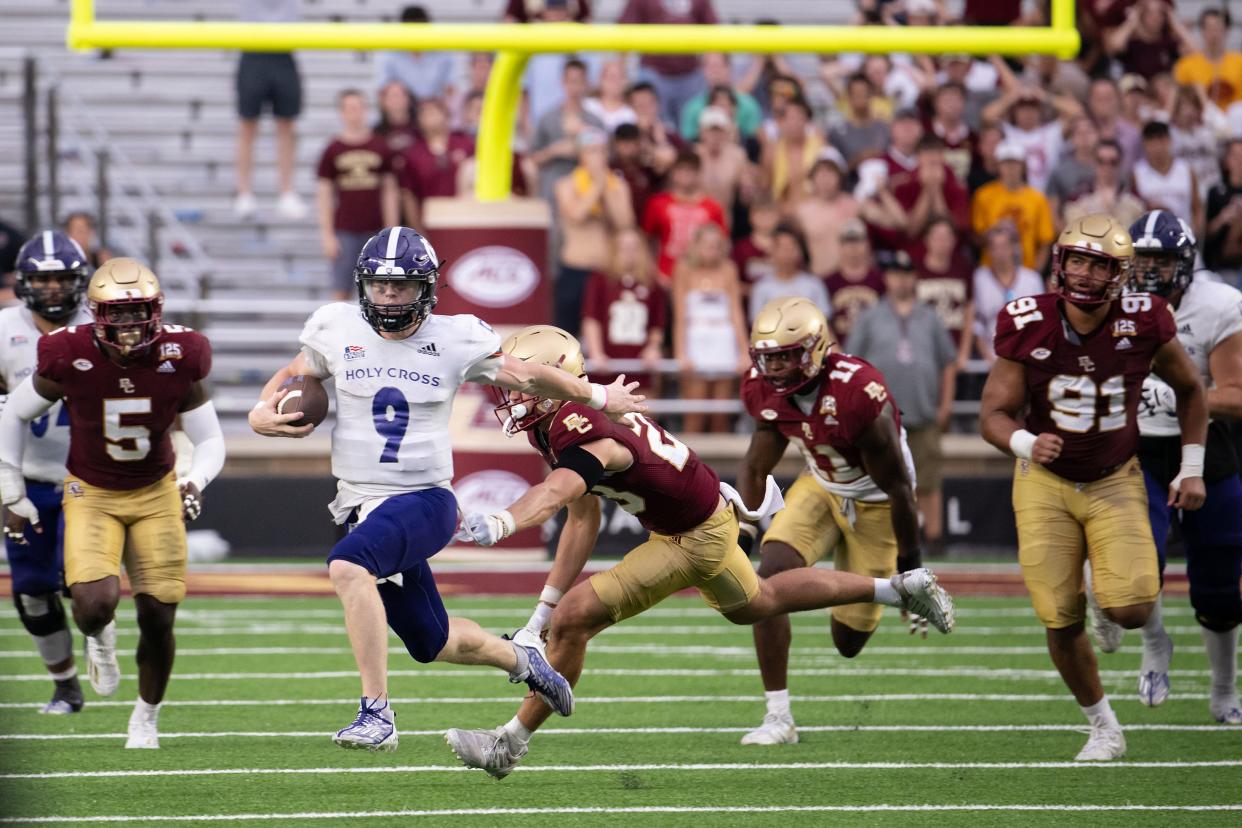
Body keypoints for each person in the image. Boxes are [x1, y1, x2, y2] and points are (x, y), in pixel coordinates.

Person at [444, 322, 955, 777]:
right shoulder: (559, 422)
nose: (514, 393)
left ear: (558, 380)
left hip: (691, 534)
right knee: (760, 601)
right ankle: (898, 590)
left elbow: (560, 494)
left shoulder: (581, 425)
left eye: (528, 384)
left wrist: (507, 518)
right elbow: (583, 515)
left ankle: (506, 743)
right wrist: (540, 612)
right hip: (705, 512)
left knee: (576, 618)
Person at [247, 227, 647, 752]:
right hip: (358, 503)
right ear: (363, 286)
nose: (389, 299)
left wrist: (596, 394)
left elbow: (528, 376)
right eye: (380, 287)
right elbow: (297, 371)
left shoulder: (455, 337)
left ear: (428, 288)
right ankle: (526, 661)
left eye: (403, 287)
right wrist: (259, 410)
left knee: (348, 567)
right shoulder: (334, 324)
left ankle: (377, 713)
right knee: (430, 642)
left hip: (423, 500)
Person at [978, 213, 1208, 760]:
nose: (1082, 273)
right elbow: (993, 413)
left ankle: (1107, 594)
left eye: (1097, 263)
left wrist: (1190, 464)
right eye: (1076, 259)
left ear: (1119, 273)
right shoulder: (1027, 320)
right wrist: (1027, 444)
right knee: (1059, 615)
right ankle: (1103, 725)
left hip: (1114, 476)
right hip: (1043, 481)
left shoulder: (1146, 320)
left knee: (1129, 606)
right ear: (1060, 262)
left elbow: (1192, 391)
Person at [0, 258, 226, 749]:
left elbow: (210, 439)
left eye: (138, 312)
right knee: (93, 605)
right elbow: (14, 413)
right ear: (95, 313)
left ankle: (146, 716)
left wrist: (195, 481)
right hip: (92, 492)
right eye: (117, 315)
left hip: (156, 491)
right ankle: (99, 637)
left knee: (158, 616)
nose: (128, 326)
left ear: (156, 310)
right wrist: (11, 488)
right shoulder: (68, 352)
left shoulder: (181, 354)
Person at [735, 296, 931, 744]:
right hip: (820, 485)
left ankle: (886, 592)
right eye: (768, 358)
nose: (777, 368)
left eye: (786, 355)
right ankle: (778, 717)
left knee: (847, 644)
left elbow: (900, 486)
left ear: (816, 349)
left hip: (878, 501)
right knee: (766, 584)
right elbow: (754, 463)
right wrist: (743, 530)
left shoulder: (856, 391)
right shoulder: (762, 387)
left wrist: (912, 565)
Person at [1098, 211, 1241, 725]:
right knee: (1139, 567)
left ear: (1184, 262)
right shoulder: (1111, 303)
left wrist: (1183, 392)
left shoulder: (1218, 305)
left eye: (1162, 259)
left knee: (1221, 584)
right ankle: (1156, 644)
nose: (1151, 270)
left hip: (1208, 446)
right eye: (1143, 259)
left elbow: (1239, 396)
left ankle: (1224, 691)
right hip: (1139, 451)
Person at [0, 232, 93, 715]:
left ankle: (101, 639)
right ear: (25, 282)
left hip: (92, 481)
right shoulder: (3, 331)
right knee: (33, 593)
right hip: (29, 481)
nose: (53, 288)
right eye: (43, 278)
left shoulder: (104, 326)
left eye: (61, 278)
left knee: (83, 586)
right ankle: (65, 685)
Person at [848, 250, 957, 555]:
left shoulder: (930, 316)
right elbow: (852, 362)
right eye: (894, 274)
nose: (900, 279)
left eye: (905, 274)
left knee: (928, 478)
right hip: (880, 415)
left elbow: (948, 362)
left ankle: (934, 538)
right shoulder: (870, 317)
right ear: (887, 278)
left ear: (914, 278)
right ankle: (879, 539)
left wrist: (945, 404)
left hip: (923, 411)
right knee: (878, 479)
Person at [316, 90, 399, 301]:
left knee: (380, 289)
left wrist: (391, 232)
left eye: (360, 107)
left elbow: (389, 190)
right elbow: (324, 194)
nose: (356, 113)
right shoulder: (333, 149)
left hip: (376, 230)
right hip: (345, 230)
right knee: (341, 289)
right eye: (350, 108)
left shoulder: (380, 146)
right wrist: (327, 234)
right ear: (341, 112)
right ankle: (340, 334)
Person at [552, 129, 635, 337]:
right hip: (575, 268)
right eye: (591, 152)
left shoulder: (617, 186)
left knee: (608, 335)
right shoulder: (566, 184)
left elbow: (624, 223)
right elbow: (576, 215)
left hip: (606, 270)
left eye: (601, 151)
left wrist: (606, 187)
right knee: (567, 335)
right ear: (581, 156)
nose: (597, 157)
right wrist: (597, 184)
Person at [672, 223, 750, 434]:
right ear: (695, 246)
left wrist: (743, 351)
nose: (711, 250)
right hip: (695, 339)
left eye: (716, 245)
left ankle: (718, 466)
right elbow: (680, 314)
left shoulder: (728, 269)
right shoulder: (683, 269)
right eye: (706, 244)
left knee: (720, 413)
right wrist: (681, 351)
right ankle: (686, 464)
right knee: (694, 413)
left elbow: (736, 312)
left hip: (723, 340)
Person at [233, 0, 305, 220]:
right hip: (253, 50)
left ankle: (287, 192)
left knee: (286, 125)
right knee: (248, 125)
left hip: (283, 51)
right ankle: (244, 192)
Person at [580, 229, 665, 393]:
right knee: (604, 415)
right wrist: (596, 352)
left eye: (635, 248)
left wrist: (653, 348)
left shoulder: (651, 283)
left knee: (641, 414)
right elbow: (591, 319)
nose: (630, 253)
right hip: (607, 365)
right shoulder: (600, 280)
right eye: (624, 248)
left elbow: (657, 323)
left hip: (639, 365)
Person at [618, 0, 718, 127]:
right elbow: (626, 29)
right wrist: (622, 70)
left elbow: (712, 29)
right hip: (654, 71)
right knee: (652, 124)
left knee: (695, 125)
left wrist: (711, 67)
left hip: (690, 72)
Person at [641, 151, 727, 285]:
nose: (685, 174)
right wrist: (654, 272)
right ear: (673, 172)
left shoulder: (713, 207)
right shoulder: (658, 203)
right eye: (680, 169)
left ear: (699, 173)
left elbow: (722, 246)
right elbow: (646, 241)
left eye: (691, 170)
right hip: (664, 276)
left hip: (700, 280)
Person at [970, 142, 1056, 273]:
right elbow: (977, 236)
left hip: (1026, 269)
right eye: (1005, 163)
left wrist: (1036, 271)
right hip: (991, 270)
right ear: (998, 166)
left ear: (1022, 166)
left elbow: (1045, 241)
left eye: (1015, 163)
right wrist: (996, 231)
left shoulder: (1037, 198)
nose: (1010, 168)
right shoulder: (983, 195)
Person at [530, 60, 606, 205]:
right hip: (551, 189)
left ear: (586, 83)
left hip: (586, 192)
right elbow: (533, 158)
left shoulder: (594, 121)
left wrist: (581, 135)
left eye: (579, 81)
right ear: (563, 82)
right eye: (571, 81)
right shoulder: (547, 118)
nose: (575, 87)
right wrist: (553, 151)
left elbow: (605, 155)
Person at [971, 221, 1046, 363]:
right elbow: (976, 323)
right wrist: (988, 359)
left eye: (1004, 246)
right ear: (988, 250)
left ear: (1014, 247)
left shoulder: (1032, 279)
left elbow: (1041, 322)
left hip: (1026, 358)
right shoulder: (979, 278)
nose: (1000, 252)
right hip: (990, 358)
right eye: (994, 247)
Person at [399, 98, 475, 228]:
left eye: (434, 111)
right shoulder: (413, 154)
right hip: (431, 220)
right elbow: (408, 196)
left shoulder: (466, 144)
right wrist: (417, 230)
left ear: (446, 115)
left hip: (466, 217)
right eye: (424, 113)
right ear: (419, 120)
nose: (430, 115)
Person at [915, 216, 975, 369]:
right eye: (937, 237)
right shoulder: (915, 271)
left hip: (955, 349)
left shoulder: (963, 269)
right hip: (923, 351)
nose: (942, 242)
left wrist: (964, 353)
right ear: (927, 239)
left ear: (954, 240)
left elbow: (969, 311)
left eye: (947, 237)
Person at [1133, 120, 1204, 239]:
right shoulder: (1137, 173)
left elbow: (1196, 207)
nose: (1157, 147)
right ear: (1145, 144)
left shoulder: (1186, 170)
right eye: (1152, 142)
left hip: (1183, 236)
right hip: (1151, 239)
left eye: (1161, 140)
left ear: (1169, 141)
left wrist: (1194, 234)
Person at [749, 222, 830, 323]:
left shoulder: (814, 285)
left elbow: (824, 325)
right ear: (772, 251)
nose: (788, 252)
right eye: (783, 247)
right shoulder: (762, 288)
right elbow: (758, 328)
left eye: (792, 246)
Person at [374, 6, 458, 104]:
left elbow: (451, 92)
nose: (416, 37)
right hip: (403, 113)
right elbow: (382, 93)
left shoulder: (444, 54)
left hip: (436, 111)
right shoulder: (389, 55)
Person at [794, 155, 859, 277]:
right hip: (820, 276)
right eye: (820, 175)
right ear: (812, 179)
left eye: (830, 174)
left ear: (840, 178)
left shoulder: (854, 205)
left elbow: (898, 222)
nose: (825, 180)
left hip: (851, 278)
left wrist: (883, 191)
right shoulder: (802, 211)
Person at [1063, 139, 1148, 228]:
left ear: (1120, 163)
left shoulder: (1134, 199)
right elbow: (1073, 228)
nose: (1107, 167)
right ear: (1093, 162)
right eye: (1101, 161)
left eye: (1113, 162)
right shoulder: (1078, 197)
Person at [824, 219, 885, 342]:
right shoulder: (828, 282)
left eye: (858, 241)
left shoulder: (881, 280)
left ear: (867, 245)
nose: (853, 248)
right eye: (848, 242)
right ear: (840, 246)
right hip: (839, 352)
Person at [1173, 7, 1242, 109]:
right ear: (1202, 31)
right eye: (1209, 28)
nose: (1214, 34)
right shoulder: (1185, 65)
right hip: (1199, 121)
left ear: (1227, 31)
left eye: (1218, 29)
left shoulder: (1239, 62)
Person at [695, 107, 754, 226]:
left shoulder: (737, 157)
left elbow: (746, 197)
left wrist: (747, 188)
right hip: (696, 218)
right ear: (702, 132)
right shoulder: (693, 156)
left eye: (719, 132)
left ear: (726, 134)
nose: (715, 136)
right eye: (711, 131)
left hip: (724, 220)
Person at [1045, 116, 1100, 224]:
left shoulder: (1111, 166)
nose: (1085, 137)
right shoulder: (1059, 172)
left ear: (1098, 135)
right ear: (1072, 138)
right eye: (1079, 133)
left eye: (1089, 132)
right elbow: (1053, 215)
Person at [1205, 138, 1242, 285]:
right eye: (1236, 156)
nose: (1240, 161)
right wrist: (1223, 217)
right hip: (1221, 267)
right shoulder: (1216, 192)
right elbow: (1206, 233)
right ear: (1227, 161)